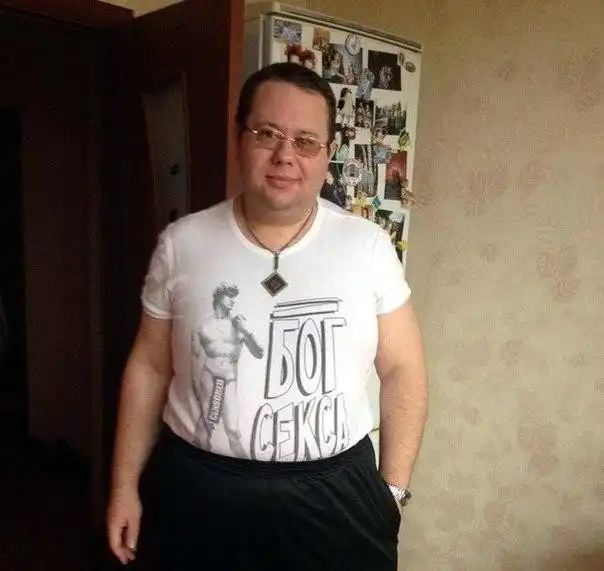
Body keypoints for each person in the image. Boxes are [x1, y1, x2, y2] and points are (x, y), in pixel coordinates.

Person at [107, 62, 428, 571]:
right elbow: (148, 367)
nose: (285, 155)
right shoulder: (181, 244)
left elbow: (404, 370)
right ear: (240, 138)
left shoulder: (368, 246)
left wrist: (392, 491)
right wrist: (124, 486)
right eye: (268, 134)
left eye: (306, 141)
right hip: (199, 489)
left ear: (327, 155)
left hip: (336, 494)